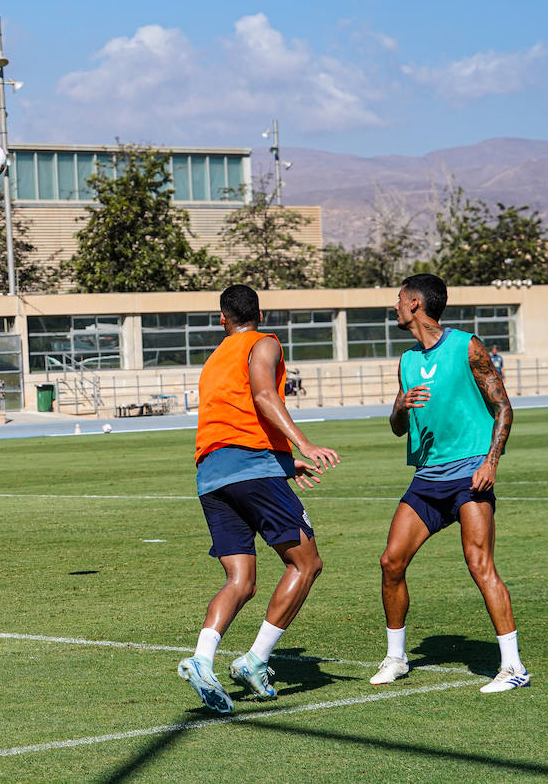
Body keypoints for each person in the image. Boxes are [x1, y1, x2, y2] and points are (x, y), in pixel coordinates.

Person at [177, 285, 340, 714]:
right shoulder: (264, 343)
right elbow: (263, 396)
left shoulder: (215, 358)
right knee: (307, 563)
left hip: (211, 476)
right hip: (252, 470)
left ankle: (201, 658)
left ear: (221, 319)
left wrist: (284, 465)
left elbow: (231, 421)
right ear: (261, 315)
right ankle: (254, 660)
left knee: (240, 581)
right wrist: (303, 445)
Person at [370, 274, 530, 693]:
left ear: (416, 304)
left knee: (480, 566)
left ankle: (513, 668)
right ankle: (396, 658)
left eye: (399, 299)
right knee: (391, 562)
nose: (395, 306)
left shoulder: (467, 346)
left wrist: (491, 462)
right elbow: (397, 428)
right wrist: (400, 406)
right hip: (426, 479)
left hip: (469, 476)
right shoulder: (406, 360)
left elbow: (503, 408)